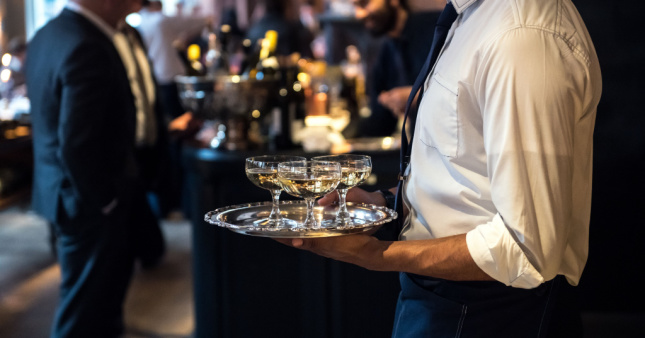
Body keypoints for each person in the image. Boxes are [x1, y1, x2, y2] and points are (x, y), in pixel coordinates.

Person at [279, 0, 602, 336]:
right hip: (439, 296)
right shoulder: (474, 16)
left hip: (491, 310)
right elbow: (464, 173)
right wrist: (384, 203)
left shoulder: (522, 35)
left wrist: (377, 255)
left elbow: (527, 249)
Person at [25, 0, 167, 335]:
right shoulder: (88, 43)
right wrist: (105, 200)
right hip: (87, 201)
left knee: (99, 300)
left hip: (63, 191)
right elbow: (77, 144)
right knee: (84, 310)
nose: (135, 3)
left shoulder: (48, 33)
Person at [353, 0, 444, 137]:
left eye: (365, 3)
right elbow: (380, 122)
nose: (359, 14)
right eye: (355, 6)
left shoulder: (440, 28)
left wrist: (417, 96)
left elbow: (462, 91)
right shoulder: (386, 50)